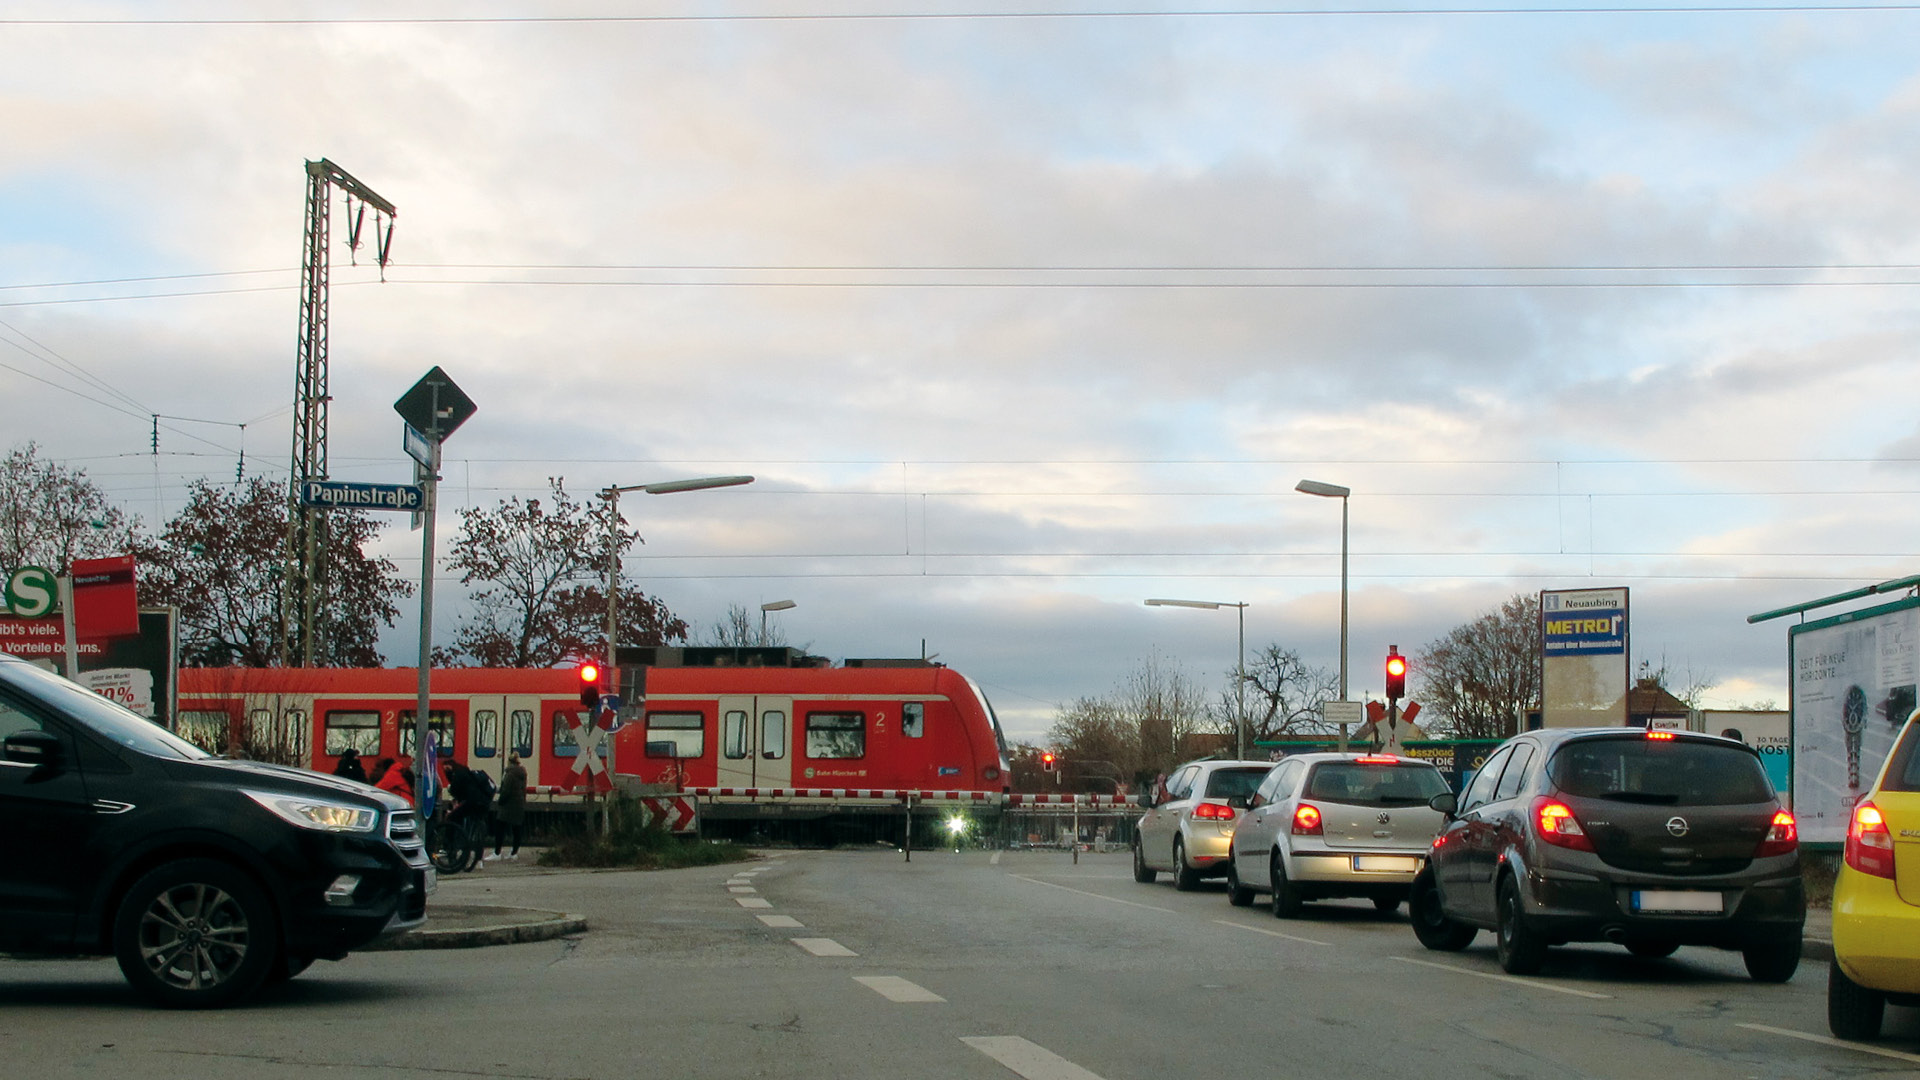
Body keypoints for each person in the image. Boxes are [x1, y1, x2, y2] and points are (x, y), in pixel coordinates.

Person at [491, 753, 528, 861]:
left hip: (508, 805)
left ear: (509, 761)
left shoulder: (509, 773)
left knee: (500, 827)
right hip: (519, 803)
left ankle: (497, 853)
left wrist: (500, 801)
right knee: (517, 829)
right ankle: (514, 853)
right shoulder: (522, 772)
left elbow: (506, 790)